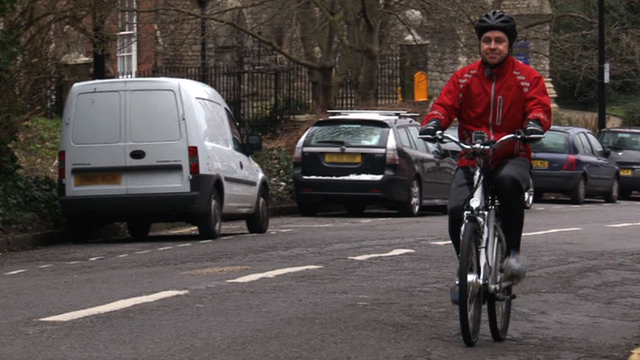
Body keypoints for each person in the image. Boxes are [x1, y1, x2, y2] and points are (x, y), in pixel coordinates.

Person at [419, 10, 552, 296]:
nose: (492, 46)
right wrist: (433, 123)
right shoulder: (464, 78)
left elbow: (539, 107)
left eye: (499, 41)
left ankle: (511, 256)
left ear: (509, 44)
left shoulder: (527, 78)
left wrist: (534, 124)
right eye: (487, 40)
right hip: (473, 156)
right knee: (456, 210)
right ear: (480, 44)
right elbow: (444, 106)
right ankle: (466, 269)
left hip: (511, 154)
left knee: (508, 184)